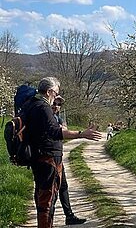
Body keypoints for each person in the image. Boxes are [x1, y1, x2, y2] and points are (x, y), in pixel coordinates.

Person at [22, 77, 101, 228]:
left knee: (43, 195)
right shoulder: (43, 106)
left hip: (38, 155)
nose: (56, 97)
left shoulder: (30, 104)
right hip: (48, 157)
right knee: (48, 199)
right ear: (50, 91)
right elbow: (54, 132)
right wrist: (81, 133)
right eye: (56, 93)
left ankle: (65, 216)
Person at [51, 96, 87, 226]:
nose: (56, 106)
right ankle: (48, 218)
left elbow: (64, 130)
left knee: (63, 186)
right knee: (51, 189)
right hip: (49, 157)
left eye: (59, 104)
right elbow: (62, 131)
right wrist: (80, 133)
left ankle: (69, 215)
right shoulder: (48, 116)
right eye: (54, 103)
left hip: (58, 156)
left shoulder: (57, 117)